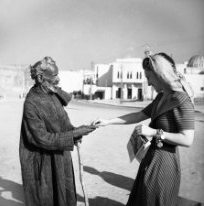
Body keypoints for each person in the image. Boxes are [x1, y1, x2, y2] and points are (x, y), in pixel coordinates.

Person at [92, 52, 195, 206]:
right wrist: (108, 122)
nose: (148, 83)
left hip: (165, 164)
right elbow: (138, 115)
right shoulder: (162, 97)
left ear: (160, 75)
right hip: (151, 158)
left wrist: (154, 132)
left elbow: (187, 139)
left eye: (149, 77)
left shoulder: (180, 99)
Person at [19, 56, 96, 206]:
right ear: (41, 77)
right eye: (54, 75)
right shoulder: (31, 103)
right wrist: (74, 134)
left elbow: (62, 123)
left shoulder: (51, 93)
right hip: (44, 162)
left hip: (60, 156)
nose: (58, 79)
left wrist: (75, 132)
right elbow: (43, 139)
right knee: (49, 198)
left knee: (65, 196)